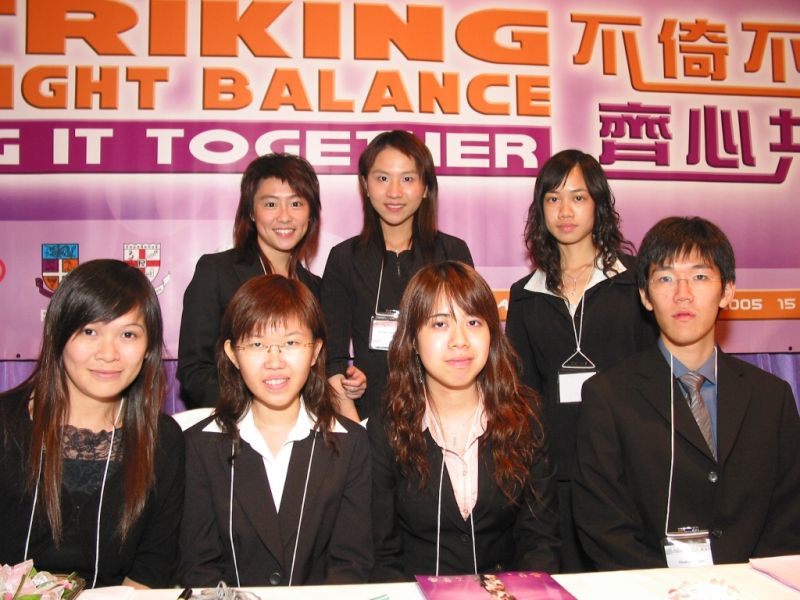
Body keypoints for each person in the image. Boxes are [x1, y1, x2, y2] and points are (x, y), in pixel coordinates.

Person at [573, 216, 800, 570]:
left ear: (728, 291)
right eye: (665, 278)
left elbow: (790, 512)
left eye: (699, 277)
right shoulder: (608, 397)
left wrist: (749, 584)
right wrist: (669, 589)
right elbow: (603, 524)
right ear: (645, 296)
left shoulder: (772, 397)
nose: (682, 294)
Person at [505, 149, 657, 571]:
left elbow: (651, 371)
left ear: (598, 204)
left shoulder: (634, 282)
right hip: (555, 468)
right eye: (553, 199)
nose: (565, 211)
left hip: (626, 462)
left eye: (578, 197)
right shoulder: (525, 293)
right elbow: (523, 389)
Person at [369, 261, 559, 581]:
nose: (460, 340)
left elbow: (540, 540)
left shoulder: (525, 418)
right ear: (412, 339)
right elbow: (382, 553)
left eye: (473, 322)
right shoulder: (389, 426)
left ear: (491, 333)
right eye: (440, 324)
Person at [0, 259, 184, 588]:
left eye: (128, 334)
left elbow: (151, 569)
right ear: (58, 335)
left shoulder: (163, 440)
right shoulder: (5, 423)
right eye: (90, 331)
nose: (108, 353)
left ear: (148, 348)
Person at [179, 275, 373, 587]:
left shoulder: (350, 443)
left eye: (291, 343)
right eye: (257, 344)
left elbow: (351, 564)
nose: (275, 361)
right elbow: (199, 567)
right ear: (232, 353)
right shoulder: (200, 445)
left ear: (315, 351)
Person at [178, 153, 366, 409]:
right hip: (233, 424)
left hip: (302, 426)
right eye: (270, 204)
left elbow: (316, 369)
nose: (284, 216)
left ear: (311, 213)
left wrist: (346, 384)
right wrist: (256, 411)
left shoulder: (317, 289)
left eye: (296, 203)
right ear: (251, 212)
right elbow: (195, 370)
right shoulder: (217, 272)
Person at [322, 130, 473, 421]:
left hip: (442, 418)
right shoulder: (344, 258)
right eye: (382, 178)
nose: (394, 192)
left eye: (407, 179)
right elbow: (332, 360)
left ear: (425, 187)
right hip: (368, 419)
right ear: (365, 185)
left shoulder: (452, 252)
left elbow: (468, 342)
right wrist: (356, 431)